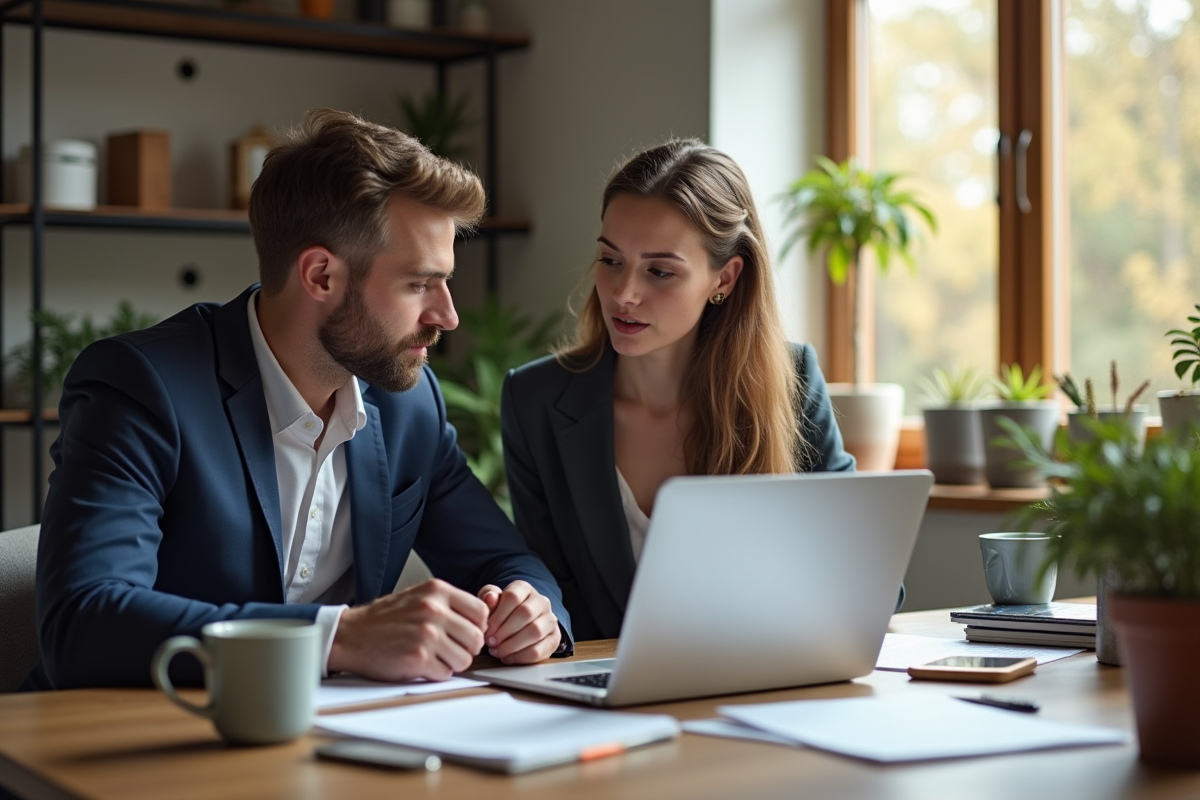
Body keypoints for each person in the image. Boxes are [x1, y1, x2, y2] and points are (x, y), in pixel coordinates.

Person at [22, 109, 571, 692]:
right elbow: (83, 622)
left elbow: (506, 561)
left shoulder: (409, 404)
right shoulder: (142, 386)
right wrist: (340, 637)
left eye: (445, 281)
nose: (447, 315)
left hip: (329, 748)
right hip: (139, 744)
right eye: (418, 284)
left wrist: (531, 612)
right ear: (321, 275)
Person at [500, 139, 857, 641]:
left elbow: (864, 578)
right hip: (600, 694)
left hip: (756, 686)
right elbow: (551, 595)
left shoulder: (792, 382)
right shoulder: (535, 400)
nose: (624, 294)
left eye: (660, 271)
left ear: (725, 279)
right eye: (610, 260)